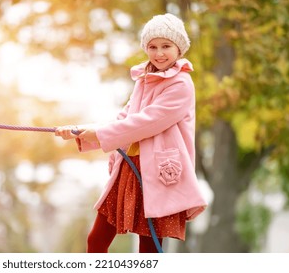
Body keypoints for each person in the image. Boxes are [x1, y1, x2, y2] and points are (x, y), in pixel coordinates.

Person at [55, 13, 207, 253]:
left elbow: (145, 123)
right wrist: (81, 132)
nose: (159, 53)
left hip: (157, 174)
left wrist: (99, 133)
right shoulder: (143, 80)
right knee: (96, 240)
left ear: (179, 49)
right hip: (129, 168)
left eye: (166, 46)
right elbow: (125, 118)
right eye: (152, 47)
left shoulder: (181, 85)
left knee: (148, 246)